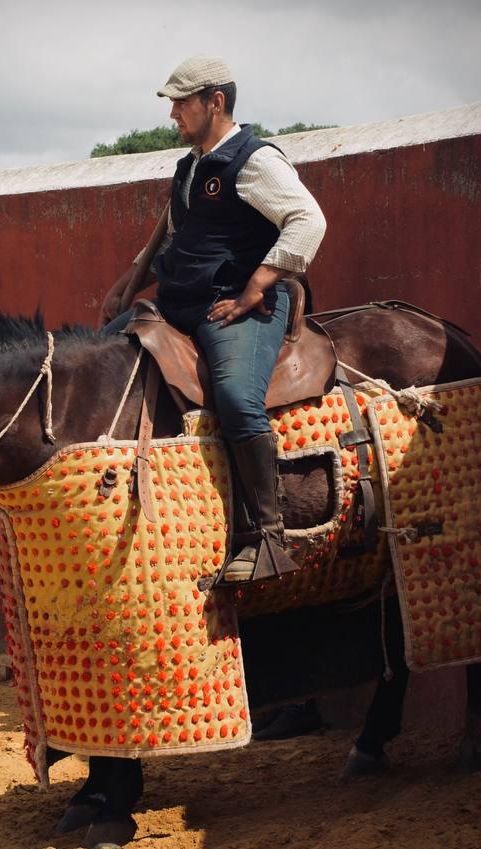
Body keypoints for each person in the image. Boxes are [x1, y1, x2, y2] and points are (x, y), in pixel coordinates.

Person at [100, 55, 327, 583]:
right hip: (180, 303)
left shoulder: (256, 160)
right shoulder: (192, 165)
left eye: (181, 102)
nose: (173, 113)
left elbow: (307, 220)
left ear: (215, 102)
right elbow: (181, 240)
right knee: (101, 355)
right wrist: (128, 283)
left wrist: (256, 287)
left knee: (235, 398)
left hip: (238, 307)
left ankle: (268, 539)